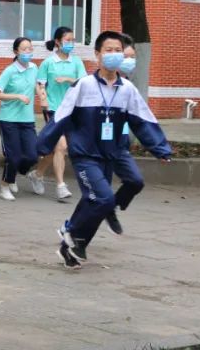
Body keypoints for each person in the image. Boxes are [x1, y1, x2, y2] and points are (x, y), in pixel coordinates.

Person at [37, 30, 172, 269]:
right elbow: (61, 117)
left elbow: (143, 120)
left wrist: (160, 148)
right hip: (85, 155)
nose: (113, 55)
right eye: (108, 50)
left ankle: (73, 247)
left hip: (111, 154)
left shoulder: (127, 89)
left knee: (97, 200)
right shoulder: (84, 85)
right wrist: (42, 146)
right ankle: (72, 231)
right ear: (97, 55)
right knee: (103, 198)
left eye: (117, 51)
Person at [29, 26, 86, 201]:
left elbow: (85, 82)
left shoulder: (76, 62)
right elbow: (40, 84)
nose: (71, 43)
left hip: (72, 110)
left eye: (72, 40)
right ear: (58, 42)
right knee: (61, 146)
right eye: (67, 40)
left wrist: (69, 79)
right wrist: (43, 99)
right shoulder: (48, 63)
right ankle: (61, 186)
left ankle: (37, 173)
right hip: (54, 109)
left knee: (56, 149)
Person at [103, 34, 145, 234]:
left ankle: (113, 205)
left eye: (132, 57)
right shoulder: (95, 83)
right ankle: (73, 231)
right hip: (100, 144)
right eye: (126, 56)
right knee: (99, 192)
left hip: (121, 140)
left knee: (135, 181)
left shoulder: (127, 85)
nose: (129, 61)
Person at [0, 37, 39, 201]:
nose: (28, 52)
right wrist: (17, 96)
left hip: (27, 119)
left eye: (30, 48)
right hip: (9, 119)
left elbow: (35, 85)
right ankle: (5, 185)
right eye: (24, 49)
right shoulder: (10, 71)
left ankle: (14, 175)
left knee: (33, 155)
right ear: (16, 52)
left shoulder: (34, 68)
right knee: (13, 156)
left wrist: (41, 93)